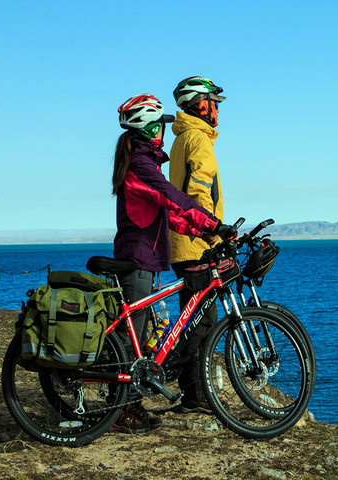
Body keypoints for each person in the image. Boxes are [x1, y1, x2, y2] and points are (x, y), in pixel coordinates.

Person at [112, 93, 231, 432]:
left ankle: (128, 407)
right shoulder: (141, 164)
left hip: (145, 258)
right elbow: (173, 197)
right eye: (159, 125)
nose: (162, 131)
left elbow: (166, 215)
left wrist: (200, 230)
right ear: (148, 127)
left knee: (135, 333)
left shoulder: (141, 160)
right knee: (129, 335)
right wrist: (211, 224)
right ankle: (121, 411)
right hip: (136, 258)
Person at [169, 76, 227, 413]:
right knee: (202, 323)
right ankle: (197, 397)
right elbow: (200, 192)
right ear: (199, 103)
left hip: (183, 242)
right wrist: (212, 232)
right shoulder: (198, 140)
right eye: (214, 102)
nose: (218, 109)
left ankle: (193, 393)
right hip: (196, 243)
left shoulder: (182, 138)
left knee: (193, 319)